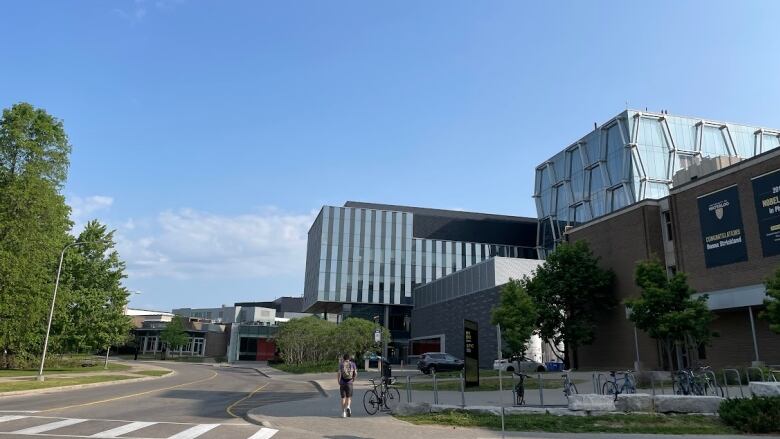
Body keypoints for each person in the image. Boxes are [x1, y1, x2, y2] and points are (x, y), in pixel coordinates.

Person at [337, 353, 357, 418]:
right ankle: (348, 407)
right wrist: (353, 379)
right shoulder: (353, 364)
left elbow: (339, 373)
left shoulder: (341, 364)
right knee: (349, 397)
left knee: (343, 398)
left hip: (342, 383)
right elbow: (355, 373)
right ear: (349, 358)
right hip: (350, 382)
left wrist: (339, 381)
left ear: (343, 358)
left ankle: (343, 413)